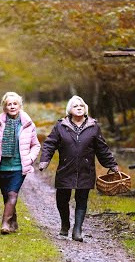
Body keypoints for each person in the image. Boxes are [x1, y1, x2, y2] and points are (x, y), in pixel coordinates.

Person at [39, 95, 118, 242]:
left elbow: (102, 148)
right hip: (66, 168)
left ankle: (77, 230)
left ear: (85, 109)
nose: (79, 108)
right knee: (62, 199)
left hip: (85, 169)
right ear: (70, 110)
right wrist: (44, 160)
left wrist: (112, 165)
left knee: (82, 199)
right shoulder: (61, 126)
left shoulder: (93, 127)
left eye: (81, 105)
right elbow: (50, 144)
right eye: (75, 106)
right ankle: (65, 224)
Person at [0, 92, 40, 235]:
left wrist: (29, 159)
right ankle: (13, 220)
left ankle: (4, 223)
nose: (12, 106)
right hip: (2, 166)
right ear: (4, 107)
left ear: (20, 105)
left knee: (12, 194)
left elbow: (36, 145)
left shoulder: (28, 124)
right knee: (6, 196)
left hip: (19, 166)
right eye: (9, 104)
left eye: (15, 104)